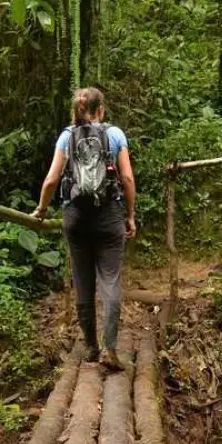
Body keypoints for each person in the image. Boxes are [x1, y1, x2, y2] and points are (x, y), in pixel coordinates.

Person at [31, 87, 136, 370]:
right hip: (109, 216)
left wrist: (42, 208)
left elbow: (52, 180)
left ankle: (90, 346)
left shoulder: (67, 136)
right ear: (100, 109)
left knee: (83, 280)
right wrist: (130, 215)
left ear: (75, 111)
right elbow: (126, 177)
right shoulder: (114, 135)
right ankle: (110, 350)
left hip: (75, 217)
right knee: (111, 282)